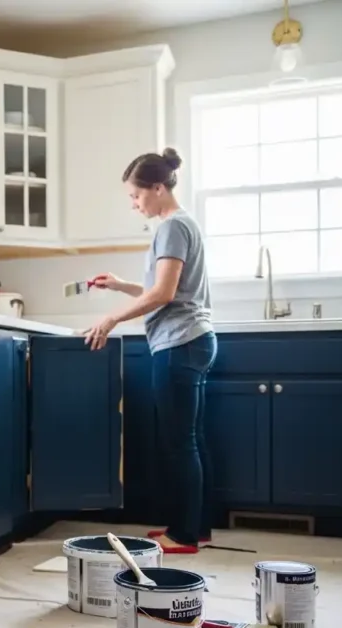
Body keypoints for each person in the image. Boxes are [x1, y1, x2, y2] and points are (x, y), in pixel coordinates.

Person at [83, 147, 216, 555]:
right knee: (191, 439)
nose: (134, 203)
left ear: (158, 188)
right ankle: (195, 526)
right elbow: (165, 290)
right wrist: (123, 285)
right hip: (192, 339)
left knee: (180, 443)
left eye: (137, 196)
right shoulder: (181, 223)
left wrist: (111, 319)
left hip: (179, 343)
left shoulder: (171, 227)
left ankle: (184, 536)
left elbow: (164, 293)